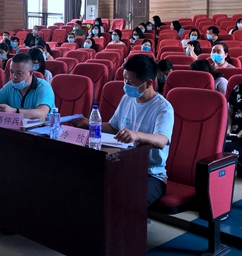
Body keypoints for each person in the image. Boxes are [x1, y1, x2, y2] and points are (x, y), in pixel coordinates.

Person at [71, 55, 174, 206]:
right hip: (123, 166)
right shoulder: (127, 99)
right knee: (87, 186)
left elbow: (162, 140)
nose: (126, 85)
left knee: (128, 202)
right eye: (125, 80)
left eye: (131, 82)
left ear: (148, 83)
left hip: (150, 174)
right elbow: (113, 127)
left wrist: (136, 135)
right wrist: (89, 124)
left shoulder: (163, 108)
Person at [0, 53, 54, 119]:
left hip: (42, 127)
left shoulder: (43, 87)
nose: (14, 77)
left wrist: (14, 111)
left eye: (19, 73)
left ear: (30, 73)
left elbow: (42, 113)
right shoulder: (10, 85)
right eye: (11, 72)